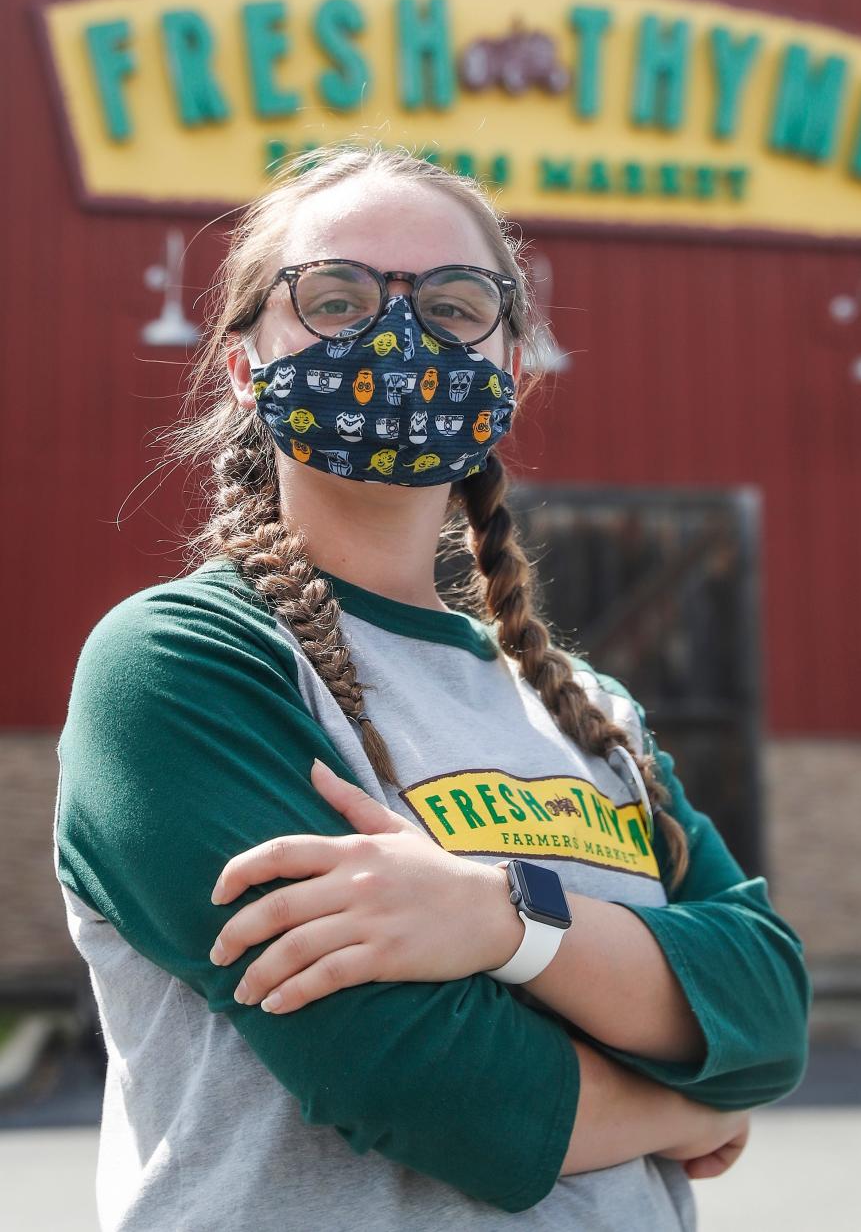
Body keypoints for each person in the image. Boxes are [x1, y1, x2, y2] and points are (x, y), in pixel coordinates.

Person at [54, 143, 811, 1232]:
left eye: (455, 306)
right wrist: (685, 1109)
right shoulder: (181, 666)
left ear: (512, 366)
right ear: (241, 362)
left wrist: (501, 920)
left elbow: (769, 1003)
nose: (394, 337)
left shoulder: (587, 708)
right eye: (336, 296)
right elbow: (431, 1085)